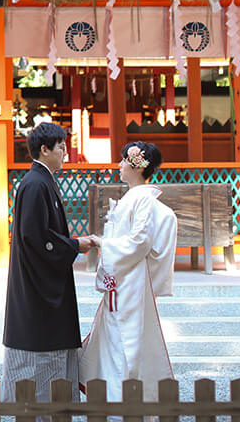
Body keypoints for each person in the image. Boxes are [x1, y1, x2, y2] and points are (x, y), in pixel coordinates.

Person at [2, 122, 94, 405]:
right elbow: (35, 237)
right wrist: (74, 245)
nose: (65, 153)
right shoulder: (34, 184)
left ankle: (48, 408)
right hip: (36, 286)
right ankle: (41, 407)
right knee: (42, 351)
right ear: (44, 150)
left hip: (42, 279)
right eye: (61, 148)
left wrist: (71, 245)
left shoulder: (41, 181)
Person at [79, 141, 178, 401]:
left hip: (130, 280)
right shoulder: (136, 197)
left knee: (127, 337)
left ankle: (124, 396)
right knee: (116, 334)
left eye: (124, 160)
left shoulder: (143, 199)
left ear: (137, 166)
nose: (120, 165)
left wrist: (104, 243)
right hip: (124, 278)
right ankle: (115, 394)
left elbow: (140, 242)